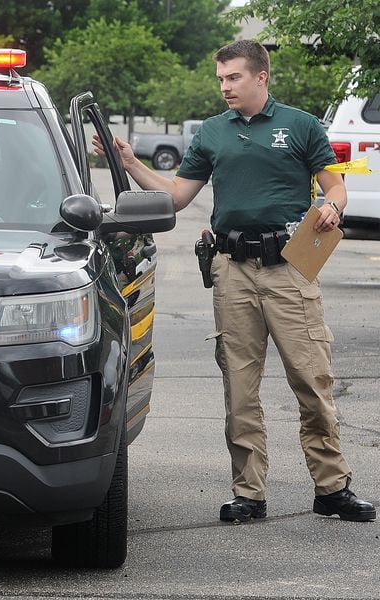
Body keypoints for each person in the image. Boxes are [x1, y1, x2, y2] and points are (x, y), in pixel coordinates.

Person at [95, 40, 375, 524]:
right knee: (240, 386)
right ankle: (249, 492)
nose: (225, 86)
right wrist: (129, 163)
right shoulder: (212, 133)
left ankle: (332, 488)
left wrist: (331, 205)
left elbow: (336, 184)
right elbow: (178, 196)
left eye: (234, 78)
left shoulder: (301, 125)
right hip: (232, 269)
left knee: (311, 378)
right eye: (221, 78)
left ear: (261, 76)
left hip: (288, 266)